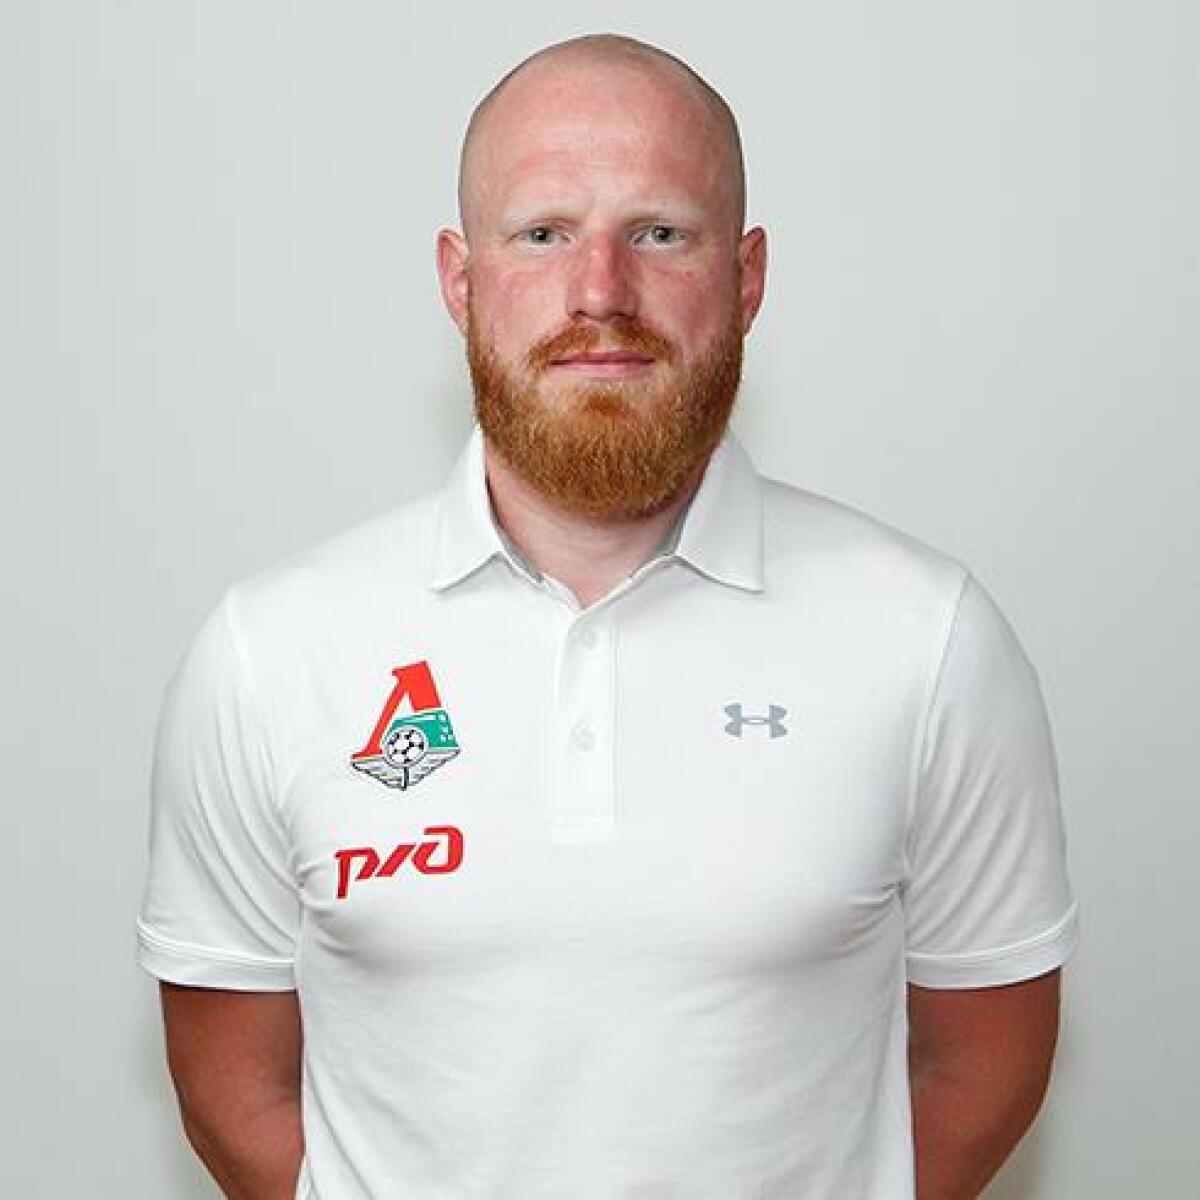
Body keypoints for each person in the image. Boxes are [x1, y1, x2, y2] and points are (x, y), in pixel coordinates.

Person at [137, 32, 1079, 1200]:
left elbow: (983, 1065)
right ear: (459, 280)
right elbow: (233, 1090)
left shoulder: (929, 640)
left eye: (660, 233)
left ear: (747, 278)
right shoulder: (269, 653)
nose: (600, 291)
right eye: (542, 233)